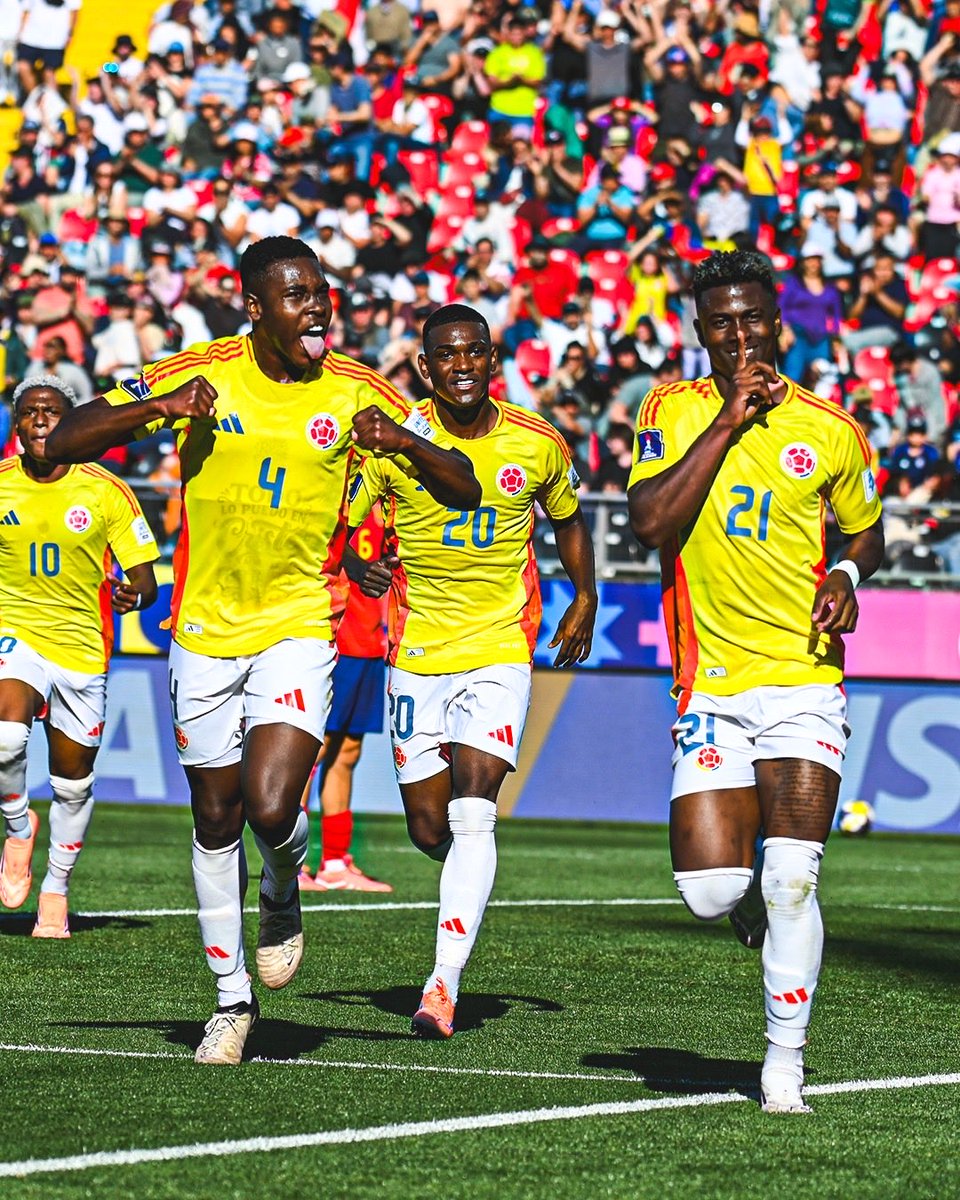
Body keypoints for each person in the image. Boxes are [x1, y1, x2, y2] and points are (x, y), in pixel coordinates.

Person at [45, 236, 480, 1066]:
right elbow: (65, 437)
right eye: (295, 294)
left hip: (298, 627)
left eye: (322, 291)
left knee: (273, 807)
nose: (316, 306)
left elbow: (462, 481)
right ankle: (230, 1003)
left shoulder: (358, 390)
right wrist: (159, 410)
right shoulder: (200, 369)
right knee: (215, 818)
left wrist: (406, 447)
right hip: (203, 634)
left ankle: (283, 889)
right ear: (254, 306)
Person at [627, 251, 884, 1114]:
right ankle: (754, 923)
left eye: (752, 320)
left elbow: (866, 533)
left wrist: (847, 577)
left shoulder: (832, 429)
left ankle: (784, 1067)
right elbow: (651, 523)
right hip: (711, 685)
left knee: (792, 877)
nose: (739, 336)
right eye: (720, 322)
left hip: (805, 682)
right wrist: (727, 425)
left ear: (779, 324)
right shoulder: (670, 410)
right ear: (700, 330)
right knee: (710, 893)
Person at [348, 303, 597, 1038]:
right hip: (416, 651)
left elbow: (568, 519)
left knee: (474, 805)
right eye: (446, 355)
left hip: (498, 648)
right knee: (431, 829)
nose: (461, 364)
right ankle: (461, 880)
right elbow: (344, 521)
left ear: (494, 361)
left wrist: (584, 593)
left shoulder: (537, 441)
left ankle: (442, 986)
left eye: (475, 352)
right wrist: (359, 559)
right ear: (424, 367)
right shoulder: (392, 439)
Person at [0, 376, 159, 937]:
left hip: (83, 648)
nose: (41, 419)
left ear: (72, 424)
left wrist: (133, 595)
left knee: (73, 783)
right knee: (5, 737)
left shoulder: (106, 490)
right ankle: (18, 829)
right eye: (30, 411)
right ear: (17, 425)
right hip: (16, 633)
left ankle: (56, 888)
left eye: (53, 411)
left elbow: (145, 580)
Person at [298, 507, 393, 893]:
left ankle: (334, 863)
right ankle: (292, 862)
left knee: (347, 751)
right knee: (312, 752)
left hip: (371, 639)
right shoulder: (342, 498)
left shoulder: (391, 501)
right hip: (340, 634)